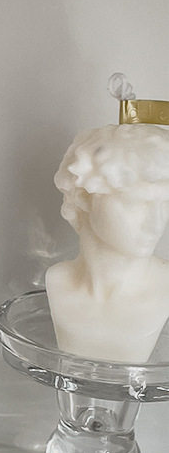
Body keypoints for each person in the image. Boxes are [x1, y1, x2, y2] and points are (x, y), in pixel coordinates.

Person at [46, 122, 169, 362]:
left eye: (166, 205)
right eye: (136, 203)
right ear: (84, 196)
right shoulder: (56, 281)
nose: (156, 223)